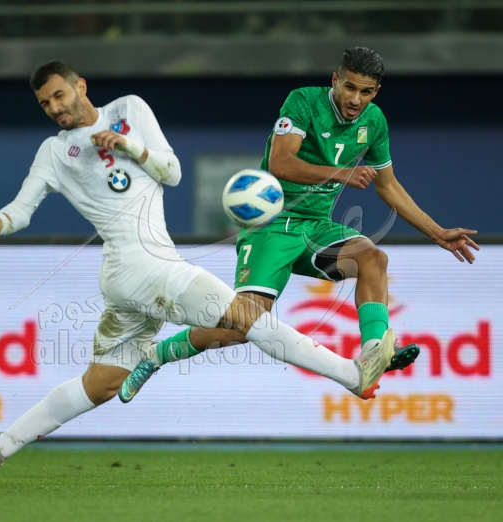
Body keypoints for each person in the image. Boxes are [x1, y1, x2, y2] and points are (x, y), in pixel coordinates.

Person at [0, 60, 396, 490]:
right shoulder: (54, 152)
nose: (54, 107)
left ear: (80, 87)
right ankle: (351, 375)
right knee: (248, 318)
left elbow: (172, 171)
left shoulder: (129, 109)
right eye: (44, 103)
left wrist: (128, 146)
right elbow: (19, 213)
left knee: (102, 384)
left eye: (58, 95)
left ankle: (0, 444)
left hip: (136, 273)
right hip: (139, 266)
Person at [118, 46, 479, 403]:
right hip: (271, 226)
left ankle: (372, 353)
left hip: (317, 228)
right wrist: (342, 173)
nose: (356, 99)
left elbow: (388, 187)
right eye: (350, 87)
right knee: (244, 325)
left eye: (366, 91)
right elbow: (281, 162)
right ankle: (155, 355)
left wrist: (438, 233)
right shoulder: (303, 101)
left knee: (373, 259)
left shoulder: (375, 122)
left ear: (376, 91)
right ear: (335, 80)